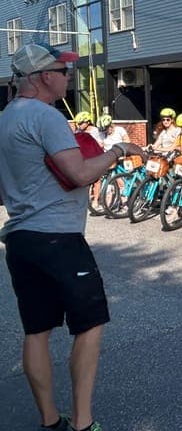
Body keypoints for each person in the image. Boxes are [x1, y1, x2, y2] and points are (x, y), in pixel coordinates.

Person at [0, 42, 143, 431]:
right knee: (89, 323)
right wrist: (117, 151)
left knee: (36, 330)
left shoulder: (5, 118)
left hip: (20, 240)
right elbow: (80, 174)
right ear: (44, 77)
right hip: (58, 239)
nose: (68, 77)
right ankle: (82, 423)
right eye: (63, 71)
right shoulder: (45, 118)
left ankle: (50, 421)